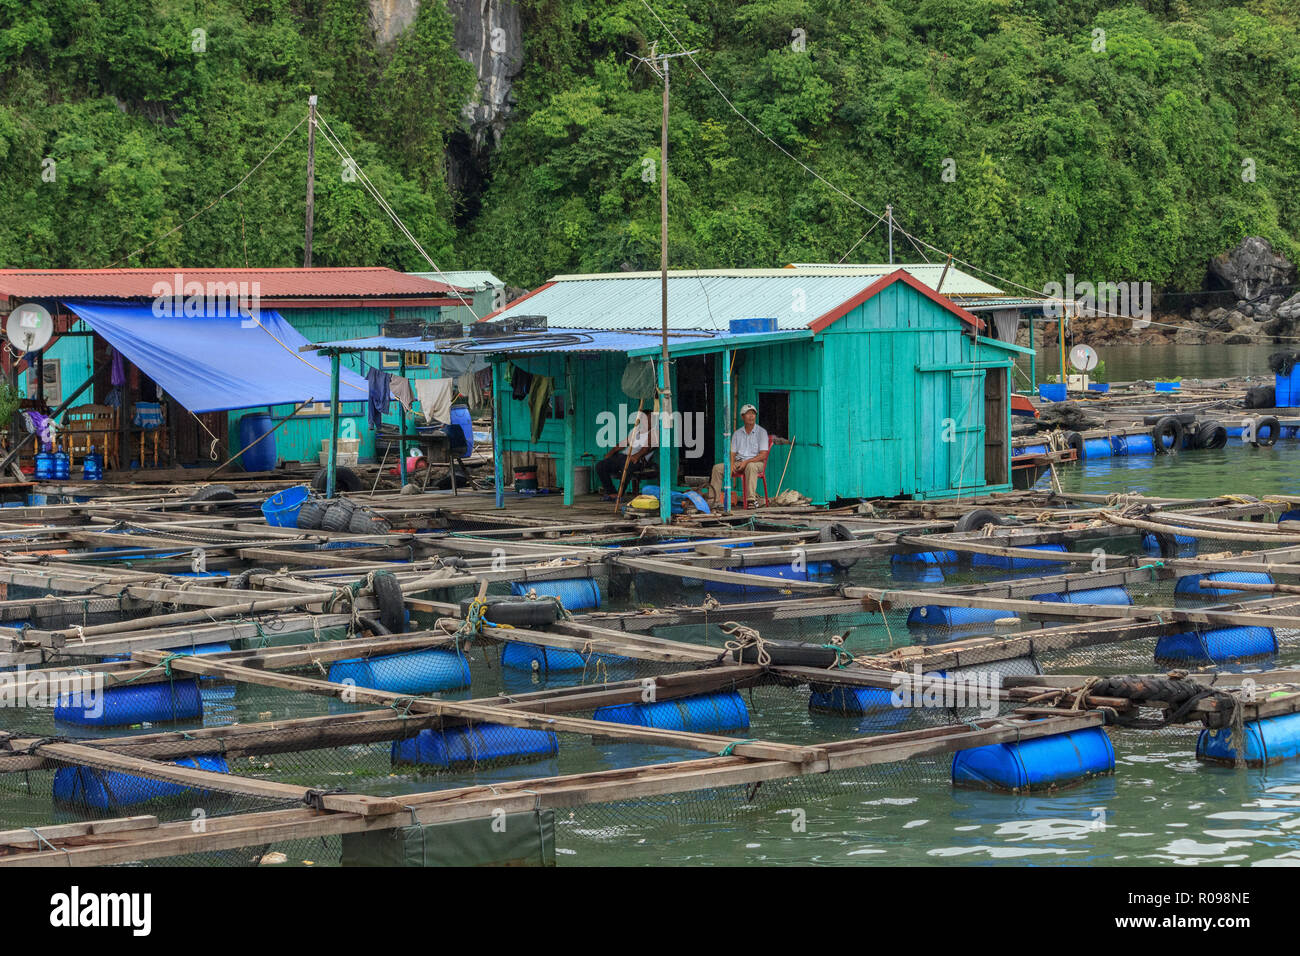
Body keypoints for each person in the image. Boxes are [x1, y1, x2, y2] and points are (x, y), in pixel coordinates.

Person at [710, 404, 769, 507]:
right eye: (748, 414)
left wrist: (746, 462)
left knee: (750, 466)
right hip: (739, 463)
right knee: (717, 468)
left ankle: (751, 500)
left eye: (753, 414)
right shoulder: (737, 433)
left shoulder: (762, 432)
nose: (751, 416)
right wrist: (732, 464)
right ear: (742, 417)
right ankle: (714, 500)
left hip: (756, 463)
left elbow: (763, 455)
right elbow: (732, 453)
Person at [595, 408, 656, 499]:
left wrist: (636, 456)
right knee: (600, 465)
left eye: (649, 419)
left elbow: (646, 449)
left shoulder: (654, 432)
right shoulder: (636, 429)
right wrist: (612, 451)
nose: (646, 421)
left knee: (627, 467)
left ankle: (620, 494)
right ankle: (611, 492)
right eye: (644, 419)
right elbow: (625, 442)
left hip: (638, 460)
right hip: (623, 456)